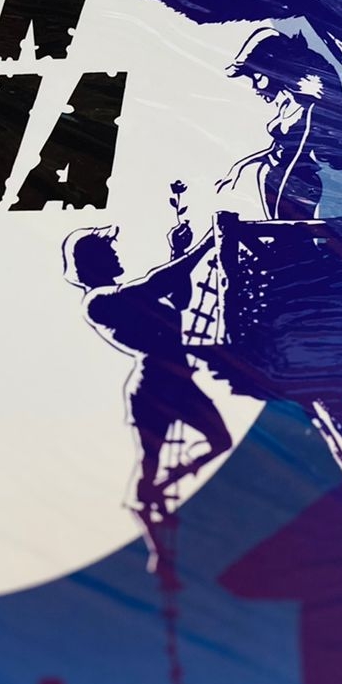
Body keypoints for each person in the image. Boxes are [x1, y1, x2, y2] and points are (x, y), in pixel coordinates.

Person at [64, 219, 231, 527]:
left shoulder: (124, 296)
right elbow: (156, 284)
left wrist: (178, 251)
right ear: (91, 263)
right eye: (108, 252)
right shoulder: (98, 302)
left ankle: (158, 489)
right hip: (153, 386)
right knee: (151, 459)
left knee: (220, 440)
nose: (116, 255)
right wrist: (207, 244)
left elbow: (179, 300)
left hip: (178, 381)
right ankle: (148, 510)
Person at [216, 27, 342, 220]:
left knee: (288, 230)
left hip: (294, 183)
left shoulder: (311, 109)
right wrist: (239, 167)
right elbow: (276, 150)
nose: (255, 87)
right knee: (281, 230)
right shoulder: (288, 103)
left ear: (274, 71)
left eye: (257, 77)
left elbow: (295, 155)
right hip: (276, 179)